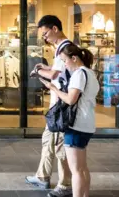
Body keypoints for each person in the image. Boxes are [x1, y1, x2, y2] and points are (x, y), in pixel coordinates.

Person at [39, 43, 100, 197]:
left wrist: (53, 89)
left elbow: (70, 99)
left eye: (65, 61)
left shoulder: (79, 74)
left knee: (76, 170)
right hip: (87, 123)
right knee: (83, 167)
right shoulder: (90, 73)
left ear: (74, 58)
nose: (64, 65)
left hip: (76, 124)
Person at [25, 15, 73, 197]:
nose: (44, 38)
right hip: (56, 105)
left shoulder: (65, 49)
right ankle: (42, 176)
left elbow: (54, 74)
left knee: (60, 145)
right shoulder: (59, 48)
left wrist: (38, 70)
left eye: (45, 33)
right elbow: (56, 72)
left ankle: (65, 185)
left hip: (62, 105)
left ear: (55, 29)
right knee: (48, 140)